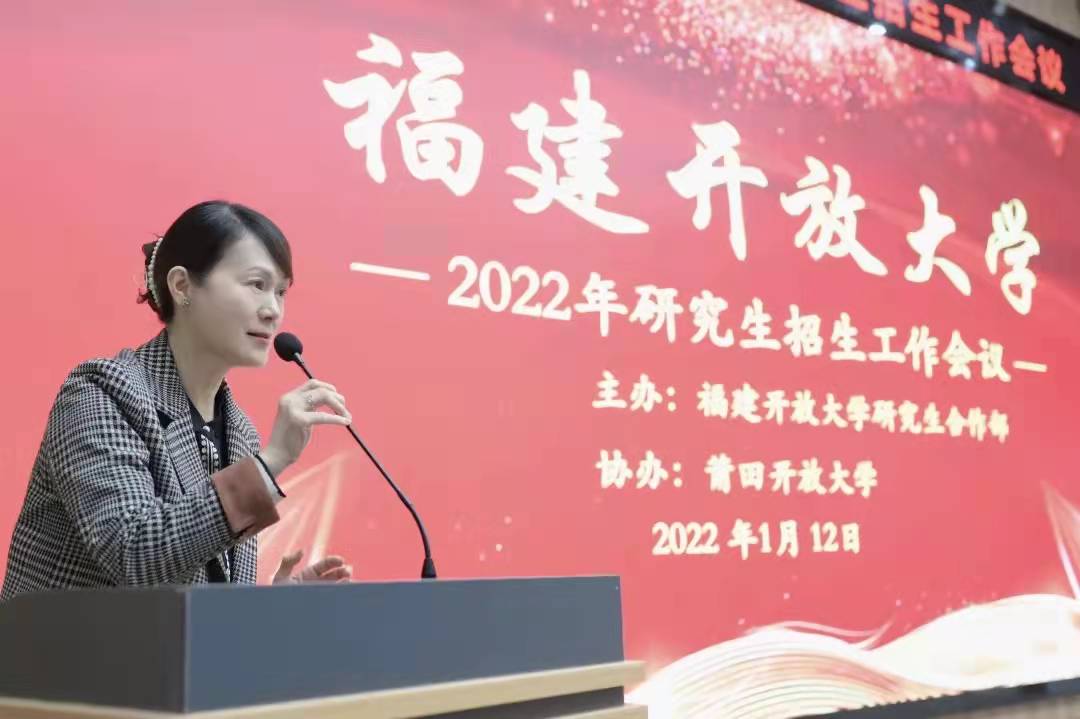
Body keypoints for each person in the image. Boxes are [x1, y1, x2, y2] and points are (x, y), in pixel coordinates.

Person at [1, 200, 353, 600]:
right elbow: (133, 553)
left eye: (281, 292)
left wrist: (271, 609)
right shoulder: (102, 391)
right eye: (257, 284)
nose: (273, 310)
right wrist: (271, 463)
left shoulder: (239, 433)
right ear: (182, 286)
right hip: (67, 643)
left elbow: (197, 597)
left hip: (161, 644)